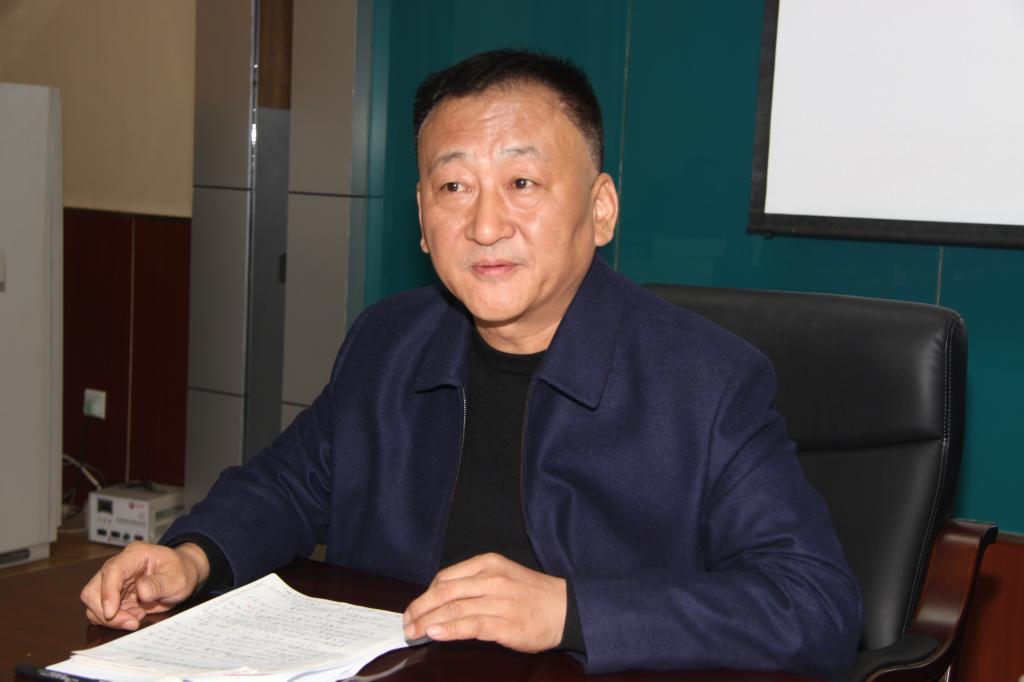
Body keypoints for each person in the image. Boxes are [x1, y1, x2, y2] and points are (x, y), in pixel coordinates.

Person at [80, 49, 862, 676]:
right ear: (423, 220)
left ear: (600, 210)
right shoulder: (391, 341)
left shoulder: (706, 382)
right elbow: (288, 486)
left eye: (522, 182)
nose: (486, 224)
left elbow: (816, 605)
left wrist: (569, 612)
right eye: (454, 186)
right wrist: (191, 557)